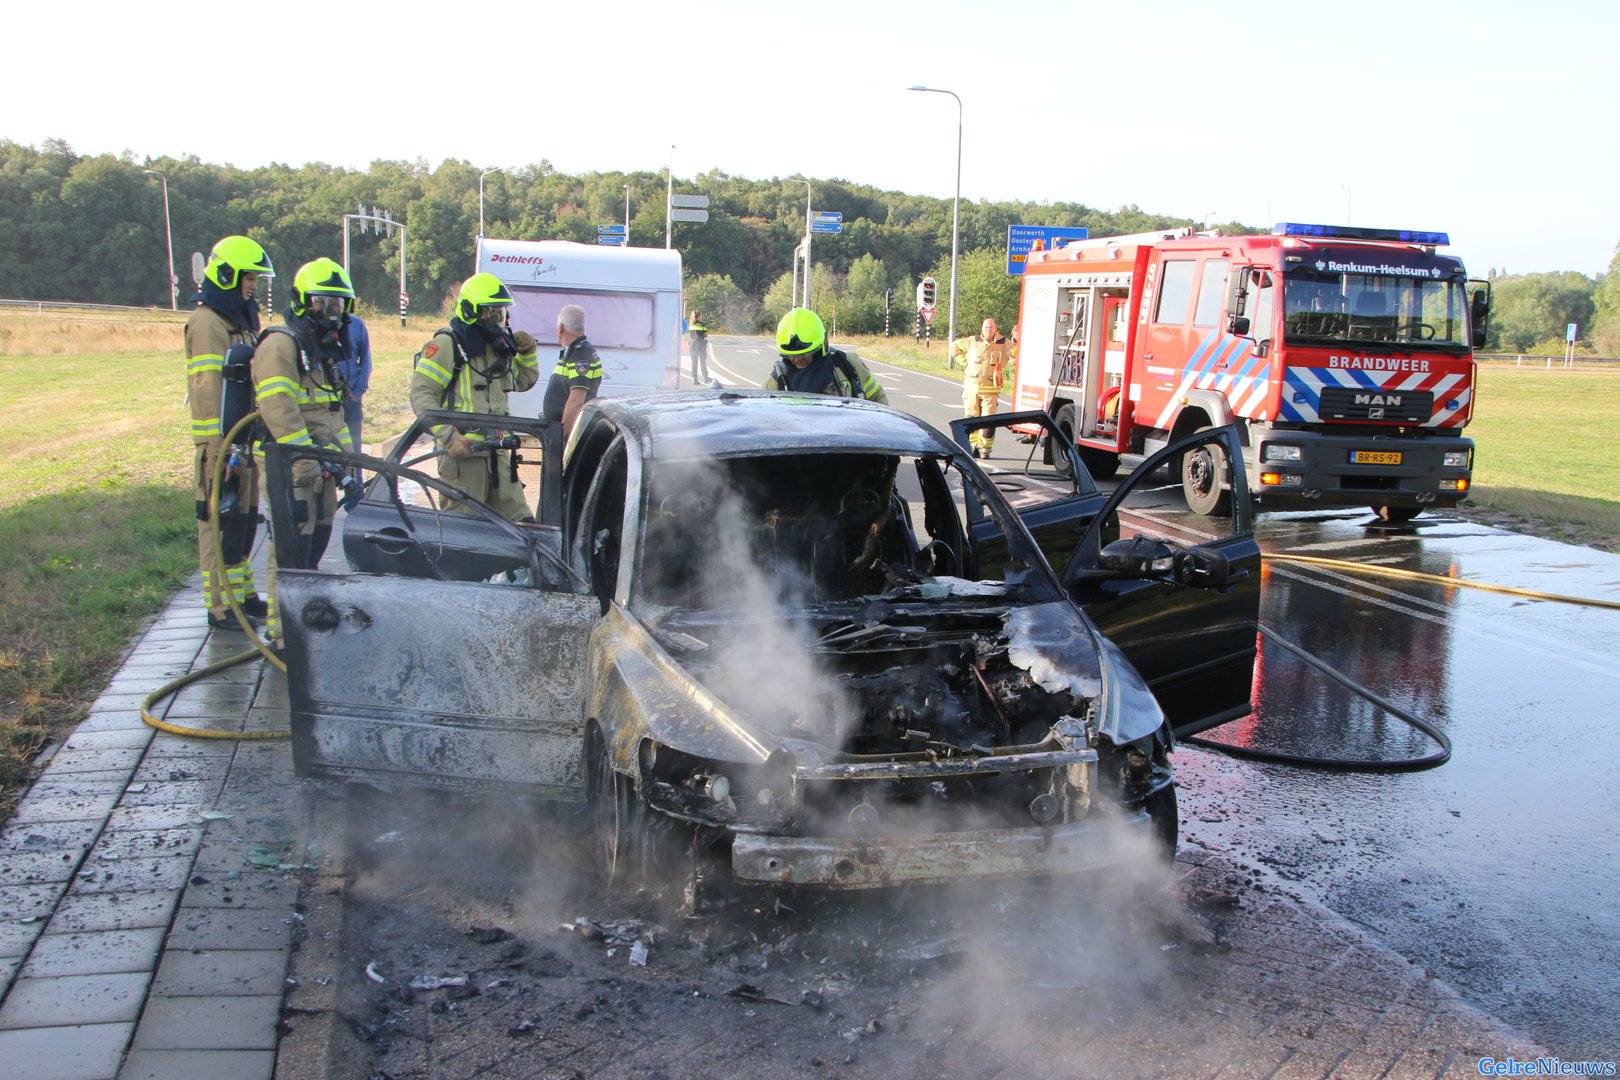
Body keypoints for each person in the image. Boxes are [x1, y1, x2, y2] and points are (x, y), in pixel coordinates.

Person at [184, 235, 274, 630]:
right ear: (225, 275)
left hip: (241, 440)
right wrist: (221, 450)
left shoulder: (235, 320)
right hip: (220, 447)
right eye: (248, 278)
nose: (253, 286)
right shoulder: (208, 323)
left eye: (255, 278)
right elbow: (209, 391)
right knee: (219, 525)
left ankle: (243, 596)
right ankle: (220, 607)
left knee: (242, 522)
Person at [252, 258, 359, 575]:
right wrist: (305, 460)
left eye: (337, 306)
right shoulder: (281, 346)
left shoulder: (320, 353)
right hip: (290, 469)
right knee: (290, 553)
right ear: (302, 303)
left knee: (314, 547)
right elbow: (278, 408)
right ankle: (281, 625)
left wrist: (348, 461)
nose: (331, 314)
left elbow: (332, 415)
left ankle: (307, 614)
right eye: (322, 304)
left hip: (320, 469)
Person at [408, 273, 540, 521]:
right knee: (465, 536)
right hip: (463, 459)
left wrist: (528, 354)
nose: (495, 319)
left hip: (499, 456)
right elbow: (421, 395)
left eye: (500, 312)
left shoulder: (498, 349)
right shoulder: (446, 345)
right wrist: (449, 437)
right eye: (489, 311)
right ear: (470, 310)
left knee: (524, 527)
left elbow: (523, 381)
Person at [762, 308, 888, 404]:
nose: (797, 359)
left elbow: (877, 398)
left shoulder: (848, 365)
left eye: (804, 354)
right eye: (790, 356)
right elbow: (761, 415)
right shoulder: (778, 379)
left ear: (822, 346)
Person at [542, 303, 603, 442]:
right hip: (561, 430)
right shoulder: (574, 352)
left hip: (568, 435)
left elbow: (576, 400)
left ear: (561, 328)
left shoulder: (580, 354)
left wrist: (560, 437)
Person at [952, 318, 1009, 458]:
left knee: (988, 421)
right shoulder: (972, 341)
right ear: (982, 328)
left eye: (991, 327)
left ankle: (985, 449)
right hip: (972, 387)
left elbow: (1016, 353)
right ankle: (972, 447)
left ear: (996, 328)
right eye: (986, 327)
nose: (988, 330)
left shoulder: (1003, 343)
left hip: (991, 389)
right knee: (971, 418)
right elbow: (954, 347)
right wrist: (965, 363)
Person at [335, 311, 371, 456]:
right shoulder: (313, 326)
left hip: (351, 399)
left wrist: (358, 391)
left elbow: (366, 362)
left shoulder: (357, 324)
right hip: (325, 401)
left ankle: (356, 477)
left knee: (354, 450)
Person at [687, 309, 710, 383]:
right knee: (703, 361)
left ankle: (695, 379)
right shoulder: (702, 324)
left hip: (692, 345)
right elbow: (705, 335)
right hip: (700, 344)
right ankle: (706, 378)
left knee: (694, 362)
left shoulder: (690, 324)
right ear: (699, 316)